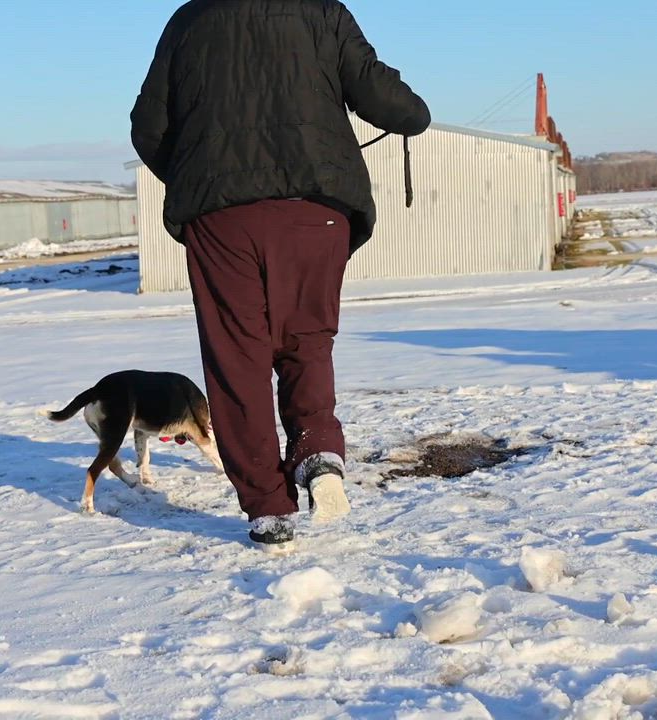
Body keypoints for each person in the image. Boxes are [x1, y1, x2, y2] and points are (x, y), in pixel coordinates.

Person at [130, 0, 431, 548]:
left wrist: (201, 171)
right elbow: (383, 97)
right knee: (306, 340)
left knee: (236, 358)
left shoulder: (189, 20)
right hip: (313, 209)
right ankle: (317, 452)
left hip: (220, 217)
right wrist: (414, 113)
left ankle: (268, 510)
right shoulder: (321, 12)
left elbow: (148, 128)